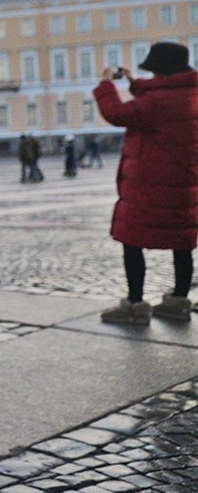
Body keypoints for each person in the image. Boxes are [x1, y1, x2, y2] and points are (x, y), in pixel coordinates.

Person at [94, 42, 198, 324]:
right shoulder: (191, 94)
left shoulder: (157, 102)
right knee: (182, 242)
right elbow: (156, 101)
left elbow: (117, 114)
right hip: (184, 185)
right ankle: (178, 302)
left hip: (149, 187)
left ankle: (135, 306)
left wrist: (106, 85)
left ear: (162, 72)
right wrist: (134, 82)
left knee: (132, 241)